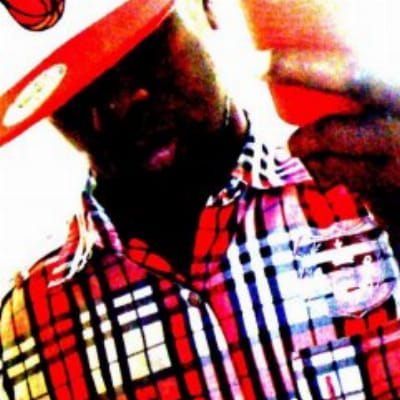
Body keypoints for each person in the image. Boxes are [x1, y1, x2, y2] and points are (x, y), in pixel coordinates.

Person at [2, 1, 400, 399]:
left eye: (144, 45)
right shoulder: (28, 328)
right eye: (73, 86)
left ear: (207, 8)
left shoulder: (370, 188)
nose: (121, 103)